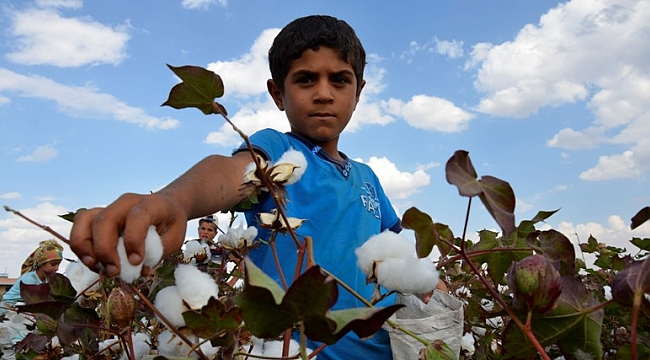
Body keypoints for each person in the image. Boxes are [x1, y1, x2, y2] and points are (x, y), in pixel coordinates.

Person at [70, 15, 400, 359]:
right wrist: (177, 201)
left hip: (379, 350)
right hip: (289, 351)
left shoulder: (368, 178)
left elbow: (393, 255)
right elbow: (231, 173)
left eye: (339, 80)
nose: (323, 94)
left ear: (358, 92)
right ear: (278, 94)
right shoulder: (277, 150)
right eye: (305, 80)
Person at [0, 240, 64, 316]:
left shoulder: (49, 280)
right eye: (53, 264)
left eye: (58, 264)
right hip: (9, 312)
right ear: (41, 263)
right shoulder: (29, 279)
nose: (57, 268)